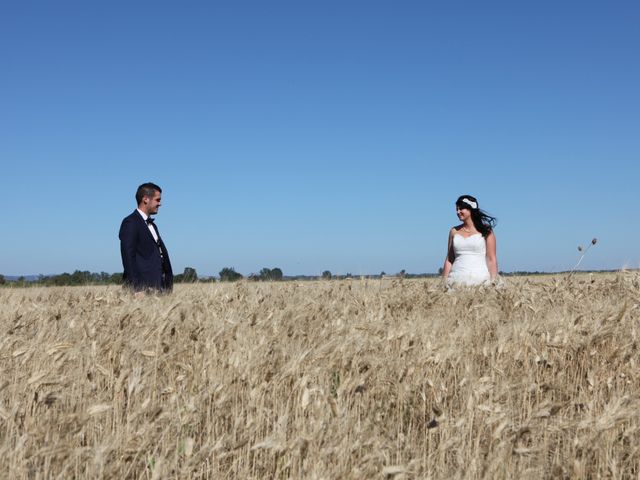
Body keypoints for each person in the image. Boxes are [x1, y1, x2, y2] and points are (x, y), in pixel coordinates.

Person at [119, 182, 173, 293]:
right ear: (146, 199)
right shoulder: (130, 222)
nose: (160, 204)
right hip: (142, 290)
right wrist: (137, 289)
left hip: (159, 288)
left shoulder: (153, 225)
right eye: (157, 200)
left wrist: (167, 285)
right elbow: (128, 257)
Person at [442, 195, 498, 286]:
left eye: (461, 209)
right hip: (455, 280)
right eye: (456, 209)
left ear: (470, 209)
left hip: (480, 281)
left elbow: (491, 258)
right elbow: (449, 259)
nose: (458, 212)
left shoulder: (486, 230)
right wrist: (443, 282)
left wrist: (494, 282)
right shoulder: (454, 231)